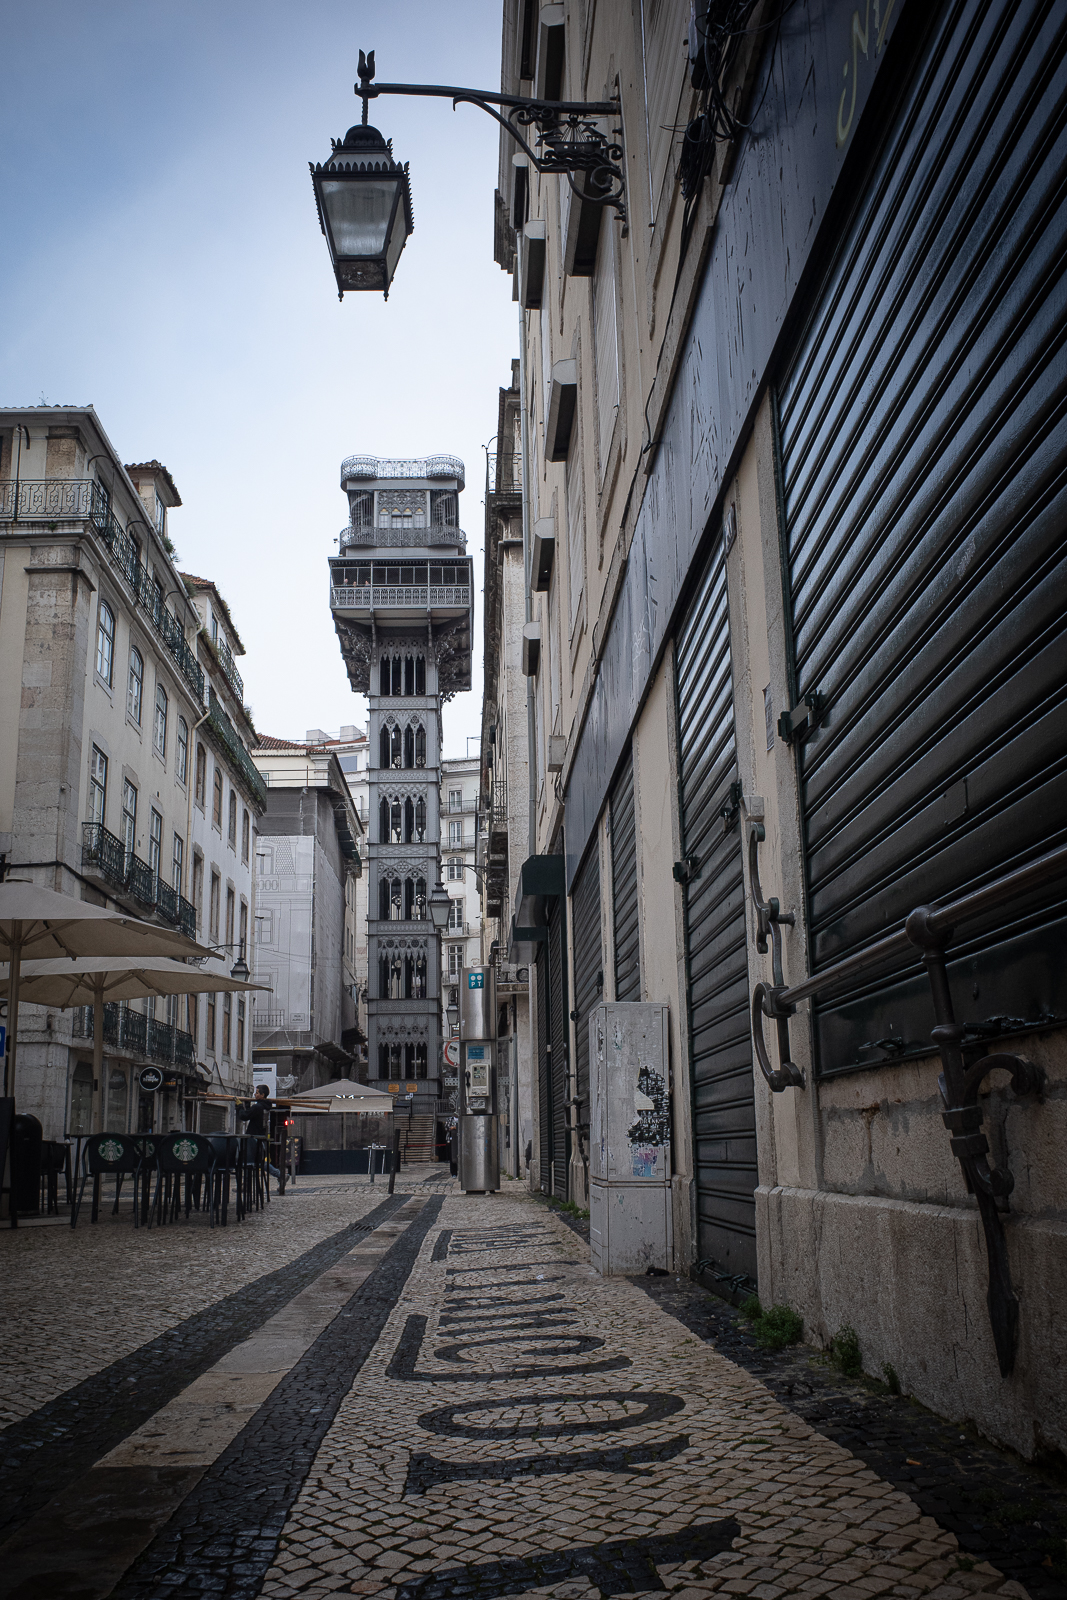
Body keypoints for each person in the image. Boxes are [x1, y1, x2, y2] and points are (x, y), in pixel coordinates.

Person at [237, 1084, 279, 1177]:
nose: (255, 1095)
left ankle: (278, 1174)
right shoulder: (265, 1106)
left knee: (249, 1160)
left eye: (257, 1093)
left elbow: (244, 1116)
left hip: (253, 1137)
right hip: (261, 1136)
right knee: (257, 1160)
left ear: (262, 1095)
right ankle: (278, 1174)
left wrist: (240, 1106)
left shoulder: (258, 1107)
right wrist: (247, 1104)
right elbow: (250, 1114)